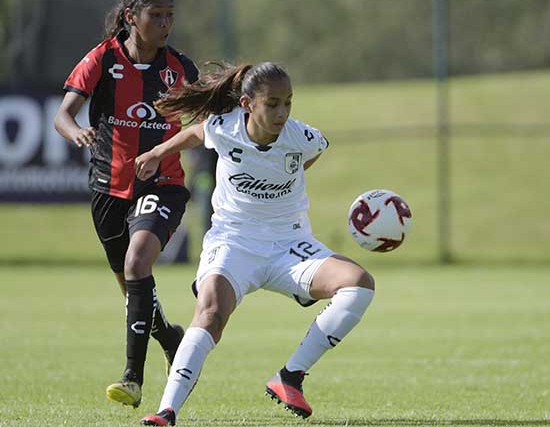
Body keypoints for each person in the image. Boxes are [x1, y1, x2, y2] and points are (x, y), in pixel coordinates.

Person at [134, 62, 376, 426]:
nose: (282, 113)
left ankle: (290, 377)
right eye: (273, 104)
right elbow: (196, 133)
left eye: (288, 103)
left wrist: (288, 173)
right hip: (234, 242)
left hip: (290, 245)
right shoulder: (225, 127)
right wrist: (156, 153)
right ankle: (167, 411)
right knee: (212, 312)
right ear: (247, 103)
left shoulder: (302, 138)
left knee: (359, 285)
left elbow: (314, 151)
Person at [53, 0, 199, 409]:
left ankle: (132, 379)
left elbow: (210, 113)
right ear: (131, 17)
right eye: (157, 15)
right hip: (107, 187)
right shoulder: (103, 58)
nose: (165, 23)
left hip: (163, 184)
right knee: (132, 285)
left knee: (138, 262)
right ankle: (170, 336)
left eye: (170, 15)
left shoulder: (179, 67)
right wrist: (76, 130)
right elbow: (63, 114)